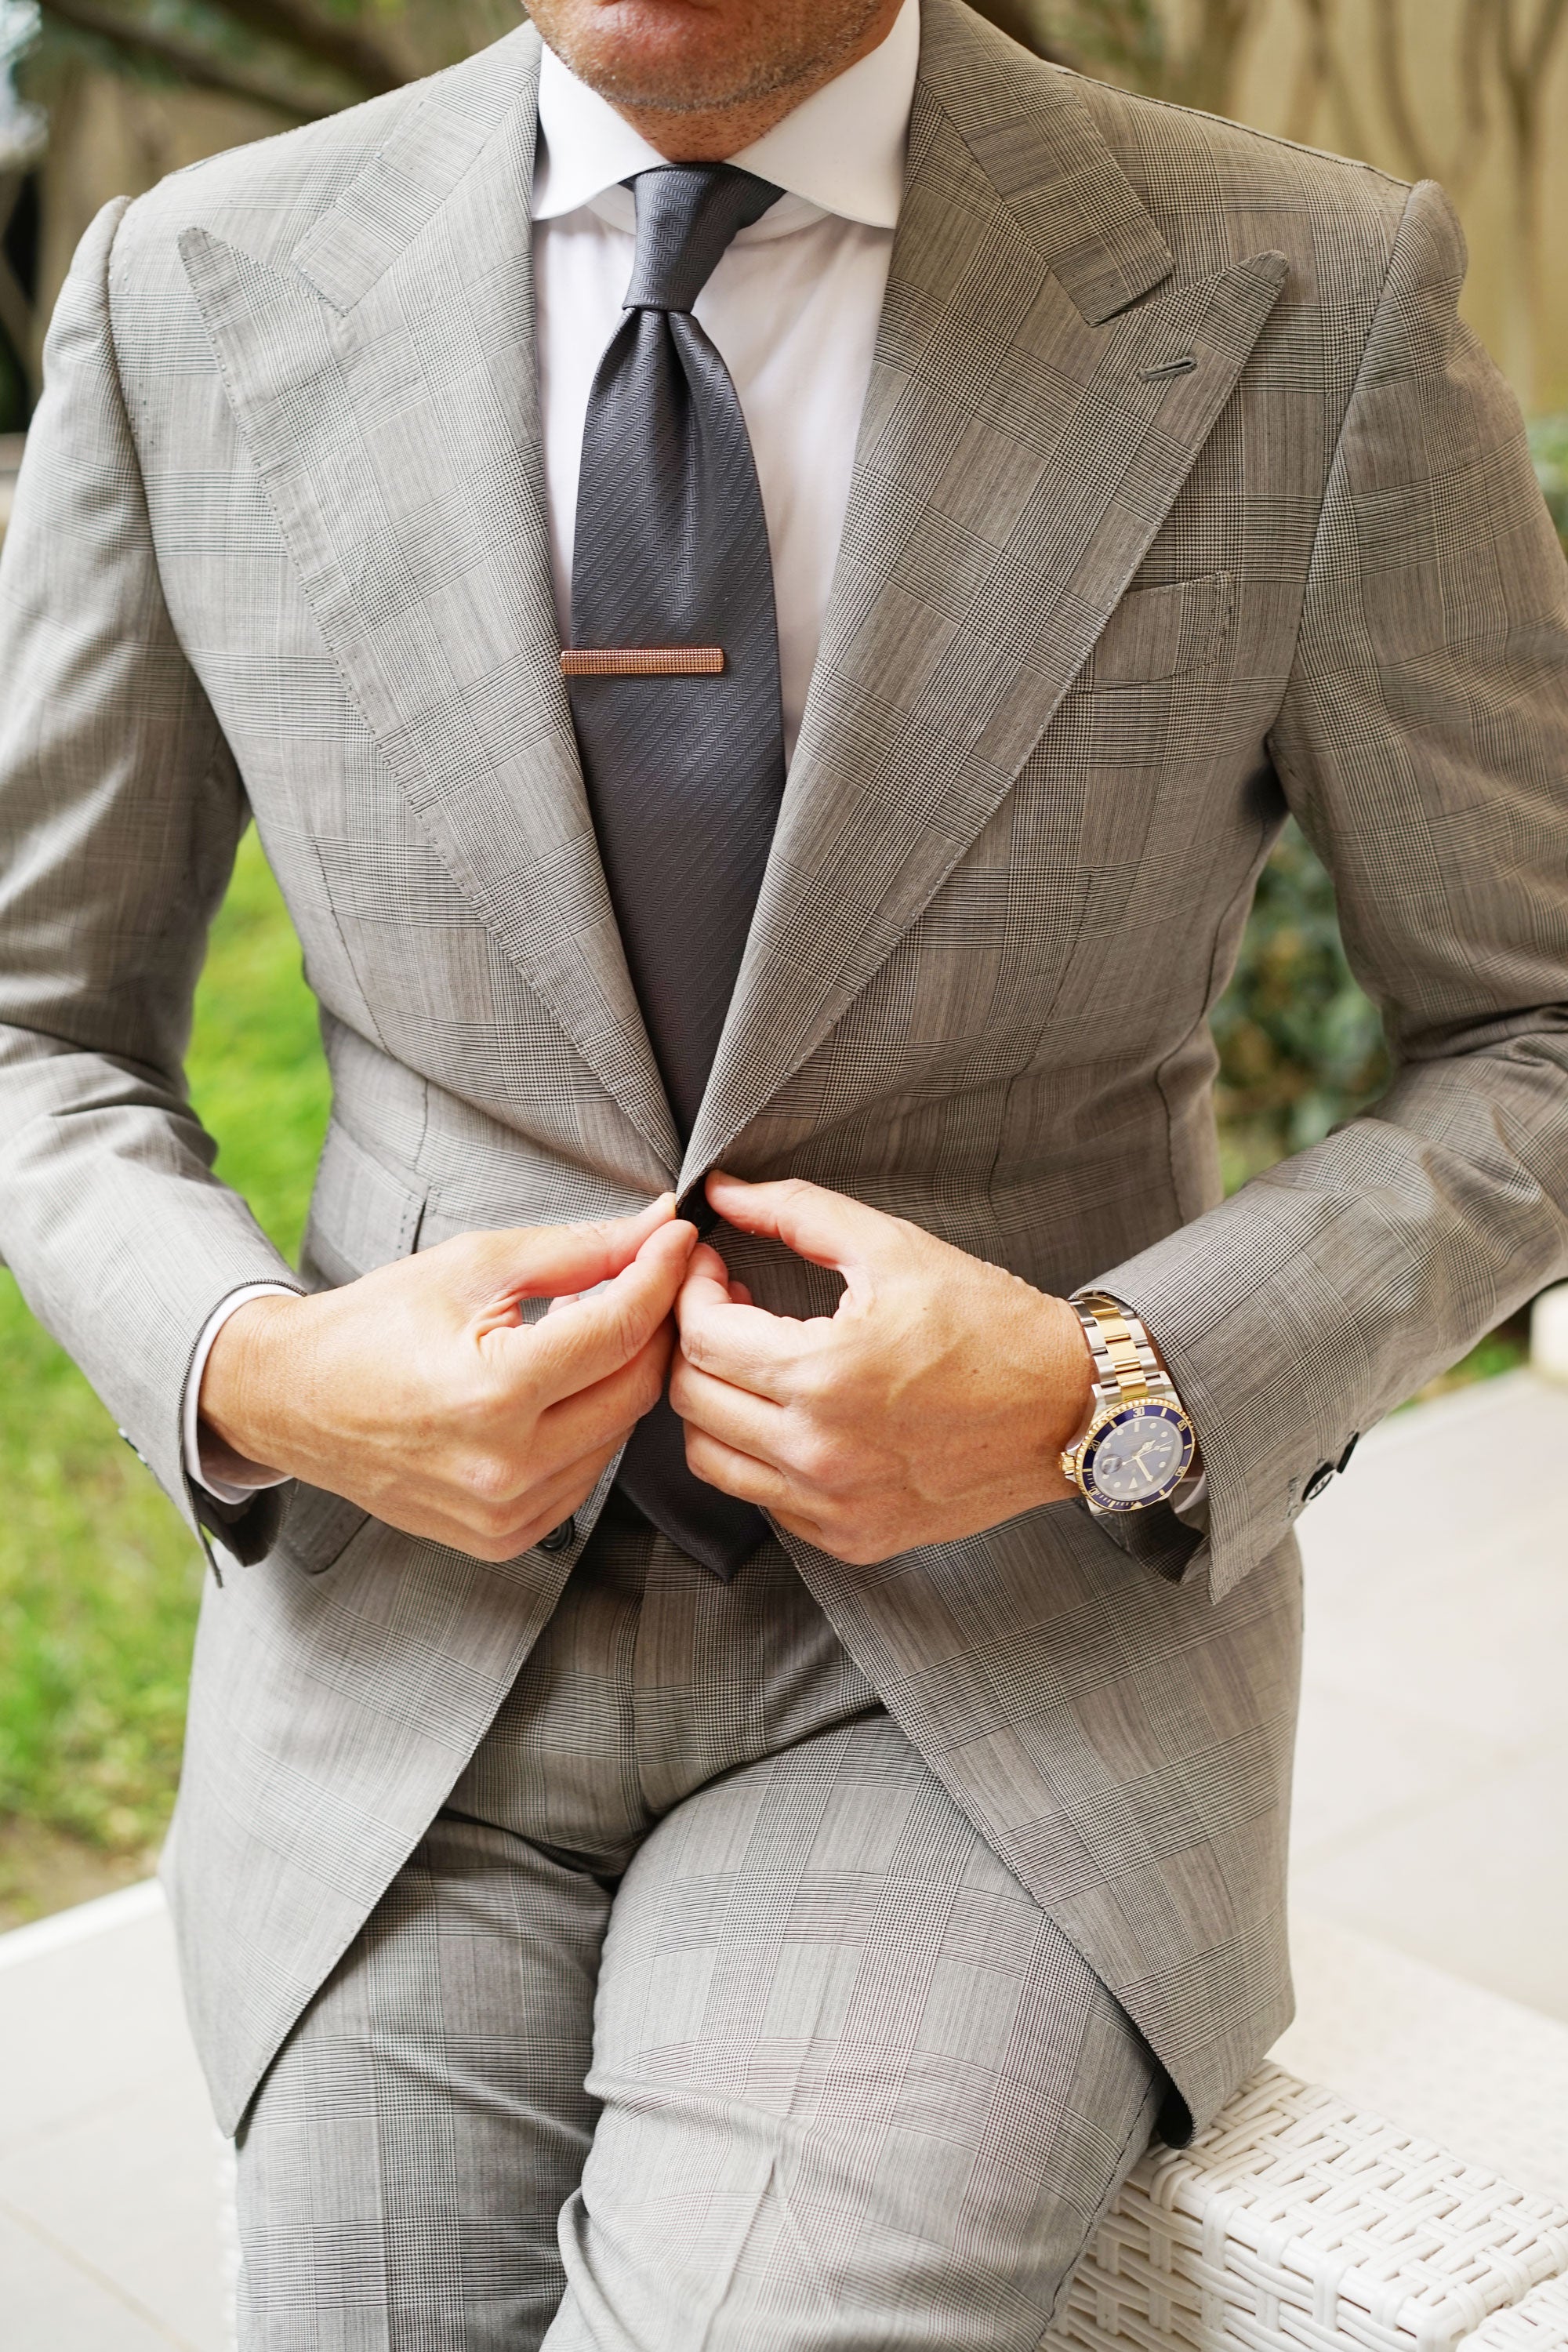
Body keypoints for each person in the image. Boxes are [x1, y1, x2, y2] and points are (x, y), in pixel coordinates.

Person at [2, 0, 1565, 2340]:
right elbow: (36, 1024)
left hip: (986, 1673)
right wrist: (265, 1374)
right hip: (402, 1658)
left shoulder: (1304, 302)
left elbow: (1532, 1025)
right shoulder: (179, 292)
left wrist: (1105, 1381)